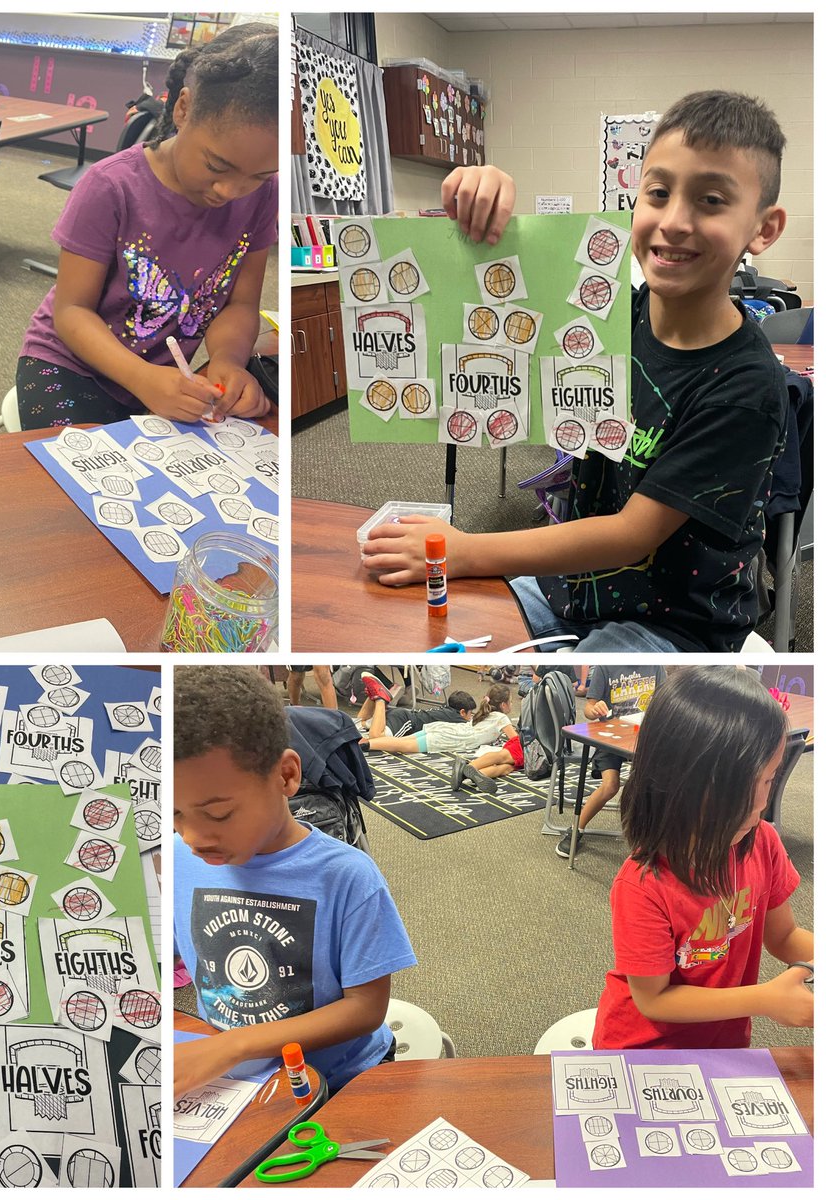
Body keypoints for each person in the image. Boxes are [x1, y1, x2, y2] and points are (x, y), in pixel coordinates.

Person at [360, 91, 790, 654]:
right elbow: (486, 308)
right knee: (432, 624)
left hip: (676, 624)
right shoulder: (611, 314)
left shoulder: (745, 387)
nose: (674, 221)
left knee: (575, 691)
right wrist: (487, 207)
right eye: (657, 193)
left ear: (764, 229)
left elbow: (630, 537)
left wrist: (465, 548)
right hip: (573, 588)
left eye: (711, 200)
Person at [16, 22, 278, 429]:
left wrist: (227, 361)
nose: (231, 190)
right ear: (184, 108)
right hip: (72, 367)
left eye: (259, 175)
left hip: (169, 379)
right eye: (216, 165)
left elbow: (242, 304)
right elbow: (71, 311)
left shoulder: (263, 196)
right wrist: (143, 379)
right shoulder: (111, 187)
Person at [173, 667, 416, 1096]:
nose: (193, 838)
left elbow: (365, 1009)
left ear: (286, 776)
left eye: (218, 814)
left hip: (340, 1079)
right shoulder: (177, 857)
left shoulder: (347, 876)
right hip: (234, 1079)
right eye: (175, 815)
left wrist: (236, 1044)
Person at [594, 667, 812, 1049]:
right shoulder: (643, 885)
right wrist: (765, 999)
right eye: (760, 783)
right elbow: (653, 999)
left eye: (772, 780)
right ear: (693, 790)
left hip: (721, 1042)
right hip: (642, 1051)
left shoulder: (762, 843)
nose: (766, 802)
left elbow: (785, 936)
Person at [555, 664, 666, 858]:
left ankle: (645, 836)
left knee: (648, 784)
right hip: (610, 736)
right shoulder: (605, 666)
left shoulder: (655, 665)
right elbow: (589, 709)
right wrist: (595, 709)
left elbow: (665, 701)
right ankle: (577, 828)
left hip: (642, 737)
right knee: (610, 785)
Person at [362, 683, 515, 762]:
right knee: (403, 746)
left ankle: (367, 742)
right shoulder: (501, 718)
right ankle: (368, 743)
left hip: (444, 729)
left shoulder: (484, 713)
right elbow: (515, 740)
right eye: (510, 702)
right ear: (503, 705)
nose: (512, 705)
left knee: (401, 741)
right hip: (453, 738)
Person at [356, 675, 476, 737]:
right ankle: (380, 698)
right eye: (470, 714)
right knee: (376, 737)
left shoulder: (446, 710)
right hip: (405, 722)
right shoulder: (457, 718)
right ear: (462, 712)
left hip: (400, 714)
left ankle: (372, 696)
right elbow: (475, 727)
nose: (470, 717)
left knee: (357, 725)